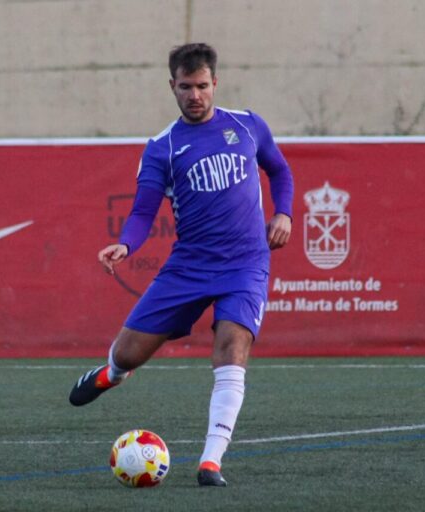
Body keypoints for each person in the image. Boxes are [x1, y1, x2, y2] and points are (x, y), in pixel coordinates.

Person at [69, 42, 294, 487]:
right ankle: (112, 374)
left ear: (216, 84)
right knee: (130, 352)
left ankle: (211, 460)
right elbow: (142, 211)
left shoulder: (248, 127)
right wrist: (126, 246)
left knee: (232, 349)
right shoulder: (162, 148)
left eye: (203, 86)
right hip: (189, 266)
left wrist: (284, 212)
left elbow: (280, 171)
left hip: (246, 264)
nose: (196, 95)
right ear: (172, 86)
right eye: (186, 87)